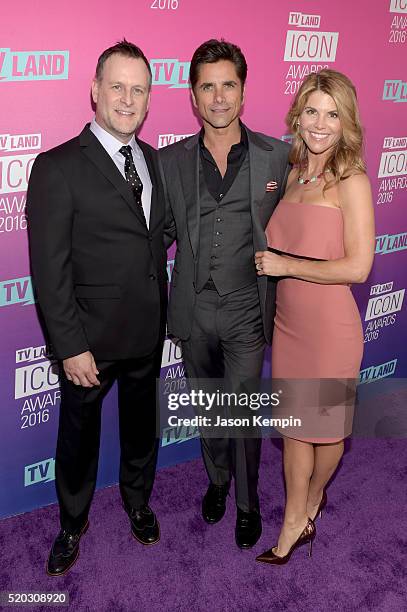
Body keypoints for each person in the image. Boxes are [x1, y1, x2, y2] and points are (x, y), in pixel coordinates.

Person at [26, 40, 167, 576]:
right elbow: (49, 269)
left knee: (140, 429)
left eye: (138, 89)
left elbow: (156, 238)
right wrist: (70, 346)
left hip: (148, 333)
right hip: (88, 342)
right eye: (117, 86)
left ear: (149, 98)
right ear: (94, 90)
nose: (127, 99)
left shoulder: (154, 161)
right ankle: (71, 523)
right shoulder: (57, 167)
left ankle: (138, 501)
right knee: (79, 439)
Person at [159, 39, 290, 549]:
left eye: (227, 85)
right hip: (193, 309)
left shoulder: (277, 156)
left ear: (243, 90)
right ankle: (217, 483)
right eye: (207, 87)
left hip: (246, 310)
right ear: (193, 96)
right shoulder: (170, 161)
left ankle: (248, 502)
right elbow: (155, 232)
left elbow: (302, 219)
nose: (218, 97)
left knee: (243, 414)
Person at [254, 69, 375, 565]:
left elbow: (358, 266)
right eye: (312, 111)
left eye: (332, 114)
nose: (320, 124)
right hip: (288, 326)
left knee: (326, 435)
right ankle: (293, 519)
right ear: (297, 117)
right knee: (293, 428)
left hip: (329, 330)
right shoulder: (291, 173)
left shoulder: (353, 181)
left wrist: (285, 264)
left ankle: (312, 500)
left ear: (346, 123)